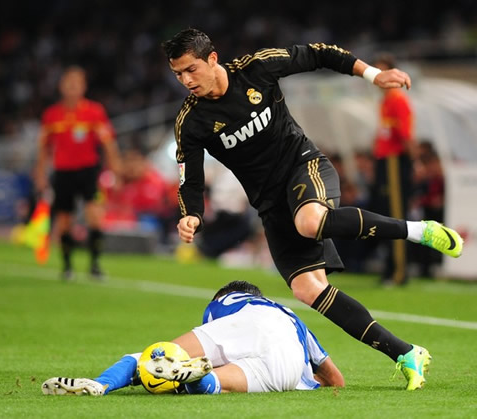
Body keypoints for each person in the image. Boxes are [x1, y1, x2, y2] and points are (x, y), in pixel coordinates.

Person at [160, 28, 465, 390]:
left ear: (212, 58)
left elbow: (319, 53)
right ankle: (406, 353)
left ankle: (418, 230)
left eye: (191, 69)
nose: (186, 80)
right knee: (308, 289)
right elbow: (189, 178)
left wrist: (373, 74)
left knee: (309, 222)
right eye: (178, 74)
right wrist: (191, 213)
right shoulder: (191, 122)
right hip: (270, 203)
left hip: (303, 166)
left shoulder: (257, 68)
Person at [41, 280, 345, 395]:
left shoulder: (230, 300)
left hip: (251, 326)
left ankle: (102, 384)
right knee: (216, 385)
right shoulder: (293, 319)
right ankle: (195, 378)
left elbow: (212, 331)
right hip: (287, 367)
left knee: (156, 354)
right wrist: (306, 380)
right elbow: (335, 380)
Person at [34, 66, 121, 280]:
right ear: (61, 86)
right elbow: (44, 149)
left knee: (95, 217)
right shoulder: (52, 115)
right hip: (63, 172)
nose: (72, 86)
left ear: (83, 86)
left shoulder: (94, 112)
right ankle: (67, 267)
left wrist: (115, 171)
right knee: (64, 220)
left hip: (88, 171)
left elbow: (109, 144)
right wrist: (40, 174)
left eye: (76, 82)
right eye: (68, 82)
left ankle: (95, 264)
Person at [369, 53, 415, 285]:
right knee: (386, 214)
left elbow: (405, 136)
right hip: (385, 161)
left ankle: (399, 271)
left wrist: (415, 162)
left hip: (395, 161)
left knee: (396, 215)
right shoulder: (385, 102)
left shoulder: (397, 100)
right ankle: (391, 267)